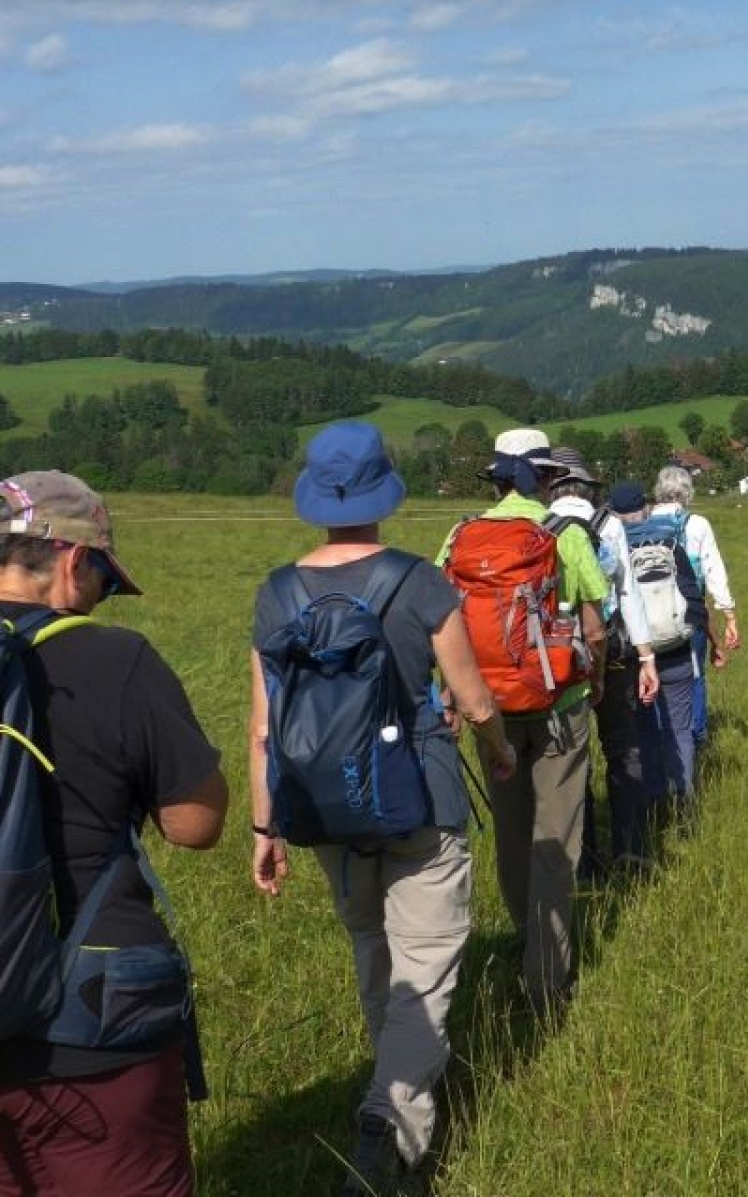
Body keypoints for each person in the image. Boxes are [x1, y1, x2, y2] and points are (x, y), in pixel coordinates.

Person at [248, 422, 514, 1197]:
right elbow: (471, 696)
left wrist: (266, 827)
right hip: (420, 800)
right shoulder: (419, 582)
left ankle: (396, 1116)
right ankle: (385, 1128)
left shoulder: (276, 593)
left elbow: (263, 725)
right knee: (425, 969)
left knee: (378, 957)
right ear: (382, 493)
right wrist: (496, 751)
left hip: (325, 807)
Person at [0, 470, 228, 1197]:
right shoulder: (118, 661)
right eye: (102, 575)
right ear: (72, 559)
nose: (101, 593)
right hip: (94, 1016)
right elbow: (195, 826)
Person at [445, 428, 608, 1016]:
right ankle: (548, 977)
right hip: (558, 707)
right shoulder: (565, 535)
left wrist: (456, 697)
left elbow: (445, 621)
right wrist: (598, 683)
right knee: (556, 843)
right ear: (547, 478)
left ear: (496, 480)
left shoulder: (461, 534)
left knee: (513, 837)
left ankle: (524, 943)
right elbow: (593, 625)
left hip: (489, 709)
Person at [548, 447, 659, 874]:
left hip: (559, 657)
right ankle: (631, 846)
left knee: (575, 757)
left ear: (552, 485)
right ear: (590, 489)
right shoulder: (609, 524)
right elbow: (628, 594)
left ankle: (585, 858)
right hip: (611, 650)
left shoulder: (540, 527)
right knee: (622, 747)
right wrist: (646, 656)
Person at [610, 481, 709, 845]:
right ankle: (684, 805)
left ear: (615, 515)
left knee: (644, 732)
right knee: (680, 731)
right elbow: (691, 592)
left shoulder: (615, 546)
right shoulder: (671, 539)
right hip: (677, 649)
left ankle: (653, 808)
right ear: (646, 509)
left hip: (637, 654)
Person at [650, 463, 741, 746]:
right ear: (687, 492)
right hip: (691, 613)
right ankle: (695, 740)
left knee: (653, 676)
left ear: (659, 491)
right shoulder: (698, 524)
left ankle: (659, 739)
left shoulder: (644, 520)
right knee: (695, 676)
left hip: (649, 616)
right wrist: (729, 615)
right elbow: (714, 572)